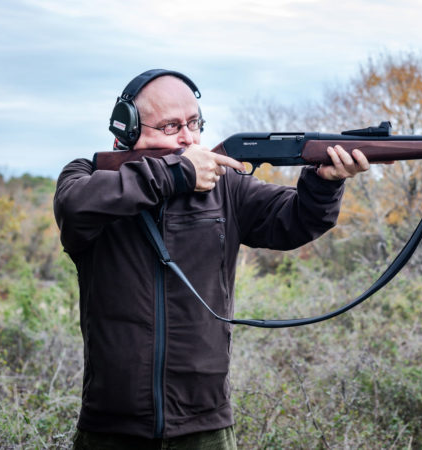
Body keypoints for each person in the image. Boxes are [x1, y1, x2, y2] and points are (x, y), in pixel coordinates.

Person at [54, 69, 370, 448]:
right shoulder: (86, 176)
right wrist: (177, 174)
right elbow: (75, 208)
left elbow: (294, 222)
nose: (189, 137)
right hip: (110, 426)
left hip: (204, 425)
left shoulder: (225, 186)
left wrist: (324, 183)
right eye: (172, 126)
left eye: (194, 123)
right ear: (128, 130)